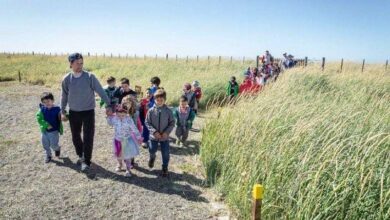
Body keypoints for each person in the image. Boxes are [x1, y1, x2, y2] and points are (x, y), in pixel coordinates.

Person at [61, 53, 112, 171]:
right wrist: (62, 111)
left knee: (88, 136)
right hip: (74, 112)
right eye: (77, 63)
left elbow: (101, 91)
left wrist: (108, 105)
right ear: (71, 64)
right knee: (75, 136)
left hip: (88, 112)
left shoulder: (90, 77)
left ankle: (86, 161)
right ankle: (80, 155)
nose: (80, 65)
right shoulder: (67, 79)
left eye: (81, 63)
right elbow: (64, 96)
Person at [145, 89, 175, 177]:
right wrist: (154, 132)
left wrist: (166, 133)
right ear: (154, 99)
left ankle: (165, 167)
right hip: (153, 136)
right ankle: (152, 157)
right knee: (152, 149)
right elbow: (147, 122)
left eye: (161, 100)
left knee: (165, 153)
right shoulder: (150, 111)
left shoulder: (168, 111)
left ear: (165, 100)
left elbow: (172, 123)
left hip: (164, 137)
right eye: (157, 100)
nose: (159, 102)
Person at [107, 106, 142, 177]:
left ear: (126, 114)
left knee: (127, 156)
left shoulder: (129, 120)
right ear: (116, 114)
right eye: (119, 115)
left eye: (123, 115)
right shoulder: (114, 119)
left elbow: (134, 129)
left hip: (127, 140)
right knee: (118, 154)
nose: (120, 117)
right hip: (117, 140)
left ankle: (128, 169)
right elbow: (110, 123)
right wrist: (108, 117)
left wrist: (139, 137)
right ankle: (120, 164)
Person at [36, 92, 63, 163]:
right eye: (44, 102)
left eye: (48, 101)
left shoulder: (57, 109)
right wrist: (46, 125)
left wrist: (65, 116)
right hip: (44, 130)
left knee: (53, 145)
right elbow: (39, 118)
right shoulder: (42, 109)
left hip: (54, 131)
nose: (46, 103)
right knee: (45, 144)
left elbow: (64, 114)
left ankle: (57, 149)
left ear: (52, 100)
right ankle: (48, 155)